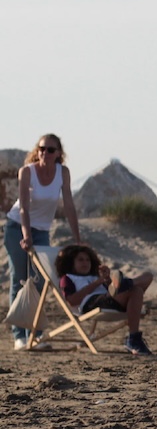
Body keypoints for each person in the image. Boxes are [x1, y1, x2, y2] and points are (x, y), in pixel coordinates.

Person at [5, 134, 81, 350]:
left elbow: (69, 205)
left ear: (58, 153)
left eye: (50, 150)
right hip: (17, 227)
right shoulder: (27, 172)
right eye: (41, 149)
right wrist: (26, 235)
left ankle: (35, 334)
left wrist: (78, 239)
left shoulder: (62, 173)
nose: (44, 153)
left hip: (42, 231)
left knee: (40, 281)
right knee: (20, 278)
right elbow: (24, 207)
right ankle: (19, 336)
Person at [55, 244, 154, 355]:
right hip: (91, 303)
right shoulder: (68, 278)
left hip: (110, 299)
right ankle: (134, 338)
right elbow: (72, 301)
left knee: (148, 276)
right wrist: (97, 283)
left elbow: (111, 292)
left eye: (88, 260)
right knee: (136, 291)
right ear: (71, 262)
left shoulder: (96, 276)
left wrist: (107, 280)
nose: (85, 263)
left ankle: (126, 284)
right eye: (80, 260)